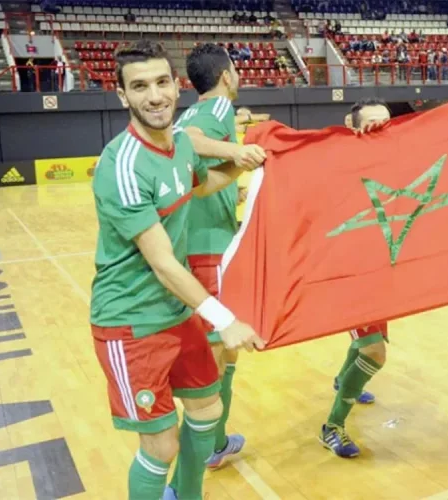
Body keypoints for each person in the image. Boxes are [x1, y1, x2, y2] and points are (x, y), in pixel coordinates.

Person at [89, 40, 265, 500]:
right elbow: (164, 263)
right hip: (132, 321)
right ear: (122, 96)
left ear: (176, 86)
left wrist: (255, 163)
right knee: (161, 444)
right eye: (140, 86)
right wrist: (224, 319)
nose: (155, 96)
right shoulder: (122, 164)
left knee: (206, 409)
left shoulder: (181, 145)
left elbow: (204, 185)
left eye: (162, 82)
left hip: (176, 311)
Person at [172, 43, 267, 472]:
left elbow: (193, 169)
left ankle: (217, 437)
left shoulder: (190, 111)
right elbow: (188, 142)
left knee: (222, 350)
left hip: (190, 242)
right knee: (220, 353)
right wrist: (235, 152)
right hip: (208, 246)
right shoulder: (217, 111)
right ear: (226, 76)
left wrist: (235, 188)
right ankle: (208, 445)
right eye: (237, 71)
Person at [320, 98, 390, 458]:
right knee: (374, 352)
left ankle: (342, 381)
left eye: (387, 122)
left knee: (367, 347)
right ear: (353, 125)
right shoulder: (338, 160)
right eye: (372, 123)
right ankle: (332, 426)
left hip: (382, 271)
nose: (381, 128)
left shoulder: (396, 161)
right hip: (349, 274)